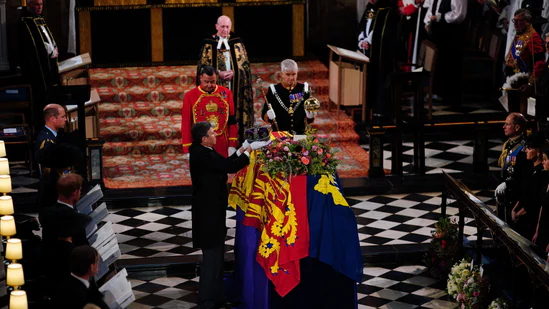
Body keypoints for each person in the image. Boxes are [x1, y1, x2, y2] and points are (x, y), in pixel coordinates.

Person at [189, 121, 269, 309]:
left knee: (217, 258)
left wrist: (244, 147)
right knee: (211, 259)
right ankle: (207, 300)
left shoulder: (204, 150)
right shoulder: (202, 154)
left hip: (212, 211)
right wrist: (249, 151)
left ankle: (217, 296)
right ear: (204, 138)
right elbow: (229, 167)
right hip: (207, 214)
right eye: (212, 133)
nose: (216, 135)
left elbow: (227, 161)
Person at [197, 15, 253, 143]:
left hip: (235, 87)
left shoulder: (237, 42)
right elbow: (203, 66)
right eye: (222, 27)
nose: (225, 30)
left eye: (227, 27)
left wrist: (236, 72)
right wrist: (218, 74)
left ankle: (236, 142)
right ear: (216, 27)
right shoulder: (209, 44)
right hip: (216, 89)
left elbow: (245, 66)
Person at [17, 0, 60, 127]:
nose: (39, 7)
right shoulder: (25, 22)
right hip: (37, 72)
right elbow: (33, 47)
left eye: (41, 5)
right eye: (36, 5)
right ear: (29, 5)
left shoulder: (40, 19)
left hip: (50, 65)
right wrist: (50, 51)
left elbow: (47, 38)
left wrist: (54, 47)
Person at [182, 66, 238, 158]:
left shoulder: (226, 93)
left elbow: (232, 120)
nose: (209, 85)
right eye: (206, 82)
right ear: (200, 78)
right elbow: (186, 124)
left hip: (222, 143)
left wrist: (232, 144)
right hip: (201, 143)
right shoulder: (190, 96)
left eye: (212, 82)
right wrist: (187, 148)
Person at [423, 0, 467, 105]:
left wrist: (439, 17)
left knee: (448, 64)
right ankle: (435, 91)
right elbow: (432, 8)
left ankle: (447, 96)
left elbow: (459, 14)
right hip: (437, 33)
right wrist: (428, 22)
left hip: (450, 35)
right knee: (437, 62)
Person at [504, 8, 545, 112]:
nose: (516, 24)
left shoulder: (533, 37)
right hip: (513, 79)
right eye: (514, 21)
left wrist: (531, 83)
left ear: (527, 22)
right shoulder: (520, 34)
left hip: (523, 81)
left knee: (522, 112)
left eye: (519, 21)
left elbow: (539, 62)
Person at [261, 59, 316, 134]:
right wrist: (268, 115)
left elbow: (309, 120)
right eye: (288, 74)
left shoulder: (304, 89)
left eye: (294, 74)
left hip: (299, 132)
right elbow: (264, 114)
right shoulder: (274, 90)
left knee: (302, 145)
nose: (291, 78)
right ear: (282, 74)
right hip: (279, 133)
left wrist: (311, 116)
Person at [39, 173, 91, 247]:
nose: (80, 193)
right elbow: (84, 249)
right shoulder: (79, 220)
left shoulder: (45, 214)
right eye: (80, 190)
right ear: (75, 193)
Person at [495, 112, 529, 223]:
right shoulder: (508, 144)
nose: (504, 127)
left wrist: (507, 183)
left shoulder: (524, 148)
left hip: (515, 195)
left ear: (517, 127)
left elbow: (522, 175)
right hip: (505, 194)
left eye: (507, 124)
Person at [510, 133, 545, 239]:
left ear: (538, 151)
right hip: (520, 214)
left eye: (529, 148)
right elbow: (523, 194)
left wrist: (518, 214)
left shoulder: (542, 173)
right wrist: (514, 209)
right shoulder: (528, 168)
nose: (526, 150)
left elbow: (534, 201)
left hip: (530, 219)